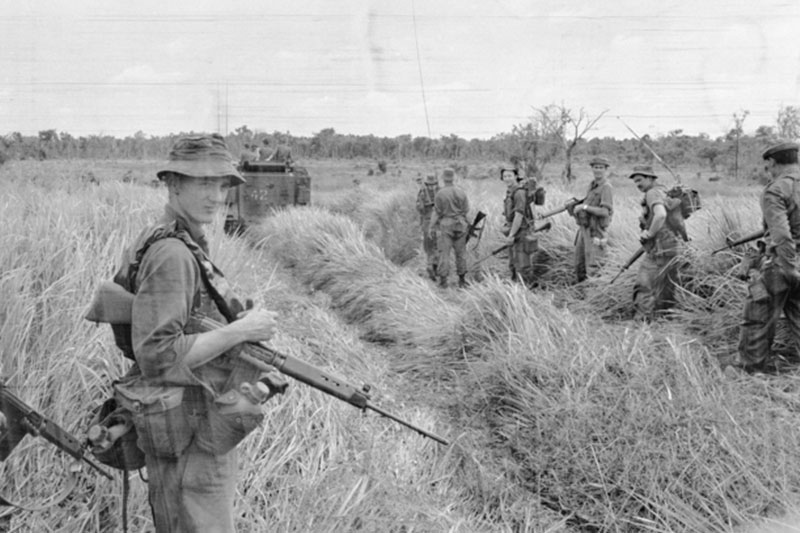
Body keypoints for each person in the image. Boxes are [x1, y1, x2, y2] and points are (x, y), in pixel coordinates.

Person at [114, 134, 280, 532]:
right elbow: (157, 355)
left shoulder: (180, 241)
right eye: (204, 182)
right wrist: (239, 332)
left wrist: (232, 323)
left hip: (195, 424)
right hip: (189, 436)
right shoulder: (172, 253)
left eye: (222, 184)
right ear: (173, 183)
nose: (217, 195)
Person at [736, 142, 800, 373]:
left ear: (773, 162)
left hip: (782, 264)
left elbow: (781, 234)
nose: (768, 171)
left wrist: (790, 268)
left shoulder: (776, 189)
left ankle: (749, 372)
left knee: (757, 320)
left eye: (768, 167)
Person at [630, 165, 681, 319]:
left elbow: (660, 215)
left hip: (658, 249)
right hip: (672, 247)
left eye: (640, 180)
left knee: (644, 286)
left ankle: (642, 323)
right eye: (635, 181)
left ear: (650, 178)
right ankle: (665, 321)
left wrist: (649, 233)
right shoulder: (664, 191)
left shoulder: (652, 193)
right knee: (666, 287)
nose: (638, 184)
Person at [571, 156, 614, 282]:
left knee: (593, 267)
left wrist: (584, 207)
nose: (598, 170)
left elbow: (605, 212)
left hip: (596, 232)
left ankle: (592, 296)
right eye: (595, 167)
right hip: (584, 229)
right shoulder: (592, 185)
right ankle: (579, 295)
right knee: (579, 264)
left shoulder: (606, 187)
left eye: (601, 168)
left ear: (606, 170)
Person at [428, 168, 469, 288]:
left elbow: (437, 212)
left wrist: (431, 227)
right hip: (461, 224)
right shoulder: (461, 192)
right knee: (461, 254)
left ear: (443, 178)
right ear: (454, 178)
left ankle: (443, 281)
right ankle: (462, 281)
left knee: (444, 254)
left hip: (446, 224)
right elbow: (466, 210)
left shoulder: (440, 193)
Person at [502, 168, 538, 287]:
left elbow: (519, 215)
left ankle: (527, 289)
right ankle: (515, 287)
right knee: (513, 262)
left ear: (515, 176)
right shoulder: (510, 192)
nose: (507, 178)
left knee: (523, 264)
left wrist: (511, 235)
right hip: (514, 230)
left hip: (521, 232)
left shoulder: (519, 193)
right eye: (505, 176)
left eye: (510, 176)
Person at [416, 174, 440, 280]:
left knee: (428, 247)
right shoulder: (440, 193)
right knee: (437, 246)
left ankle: (430, 266)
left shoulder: (422, 193)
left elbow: (419, 208)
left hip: (426, 222)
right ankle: (434, 268)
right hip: (438, 223)